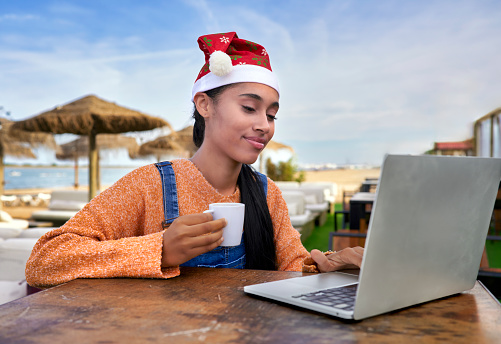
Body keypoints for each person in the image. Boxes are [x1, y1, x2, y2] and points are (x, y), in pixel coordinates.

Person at [25, 32, 363, 288]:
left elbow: (292, 266)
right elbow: (44, 260)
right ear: (205, 105)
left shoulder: (266, 193)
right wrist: (159, 250)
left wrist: (326, 265)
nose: (264, 125)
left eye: (272, 115)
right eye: (249, 107)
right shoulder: (149, 185)